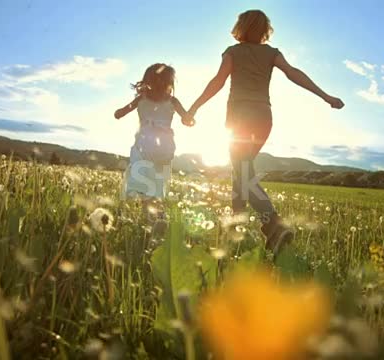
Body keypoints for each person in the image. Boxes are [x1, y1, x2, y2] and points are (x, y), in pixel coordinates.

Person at [185, 9, 344, 256]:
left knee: (243, 172)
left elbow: (218, 81)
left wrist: (194, 107)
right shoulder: (272, 53)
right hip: (263, 118)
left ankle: (273, 224)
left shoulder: (233, 52)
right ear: (264, 30)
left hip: (238, 117)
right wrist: (326, 96)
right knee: (242, 172)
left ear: (241, 27)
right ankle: (234, 230)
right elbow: (293, 73)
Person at [114, 63, 194, 211]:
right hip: (165, 147)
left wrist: (118, 112)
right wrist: (189, 119)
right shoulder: (173, 101)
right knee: (158, 183)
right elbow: (187, 119)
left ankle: (137, 210)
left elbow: (120, 113)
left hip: (144, 145)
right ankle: (156, 214)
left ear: (147, 80)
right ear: (169, 82)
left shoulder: (141, 99)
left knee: (138, 180)